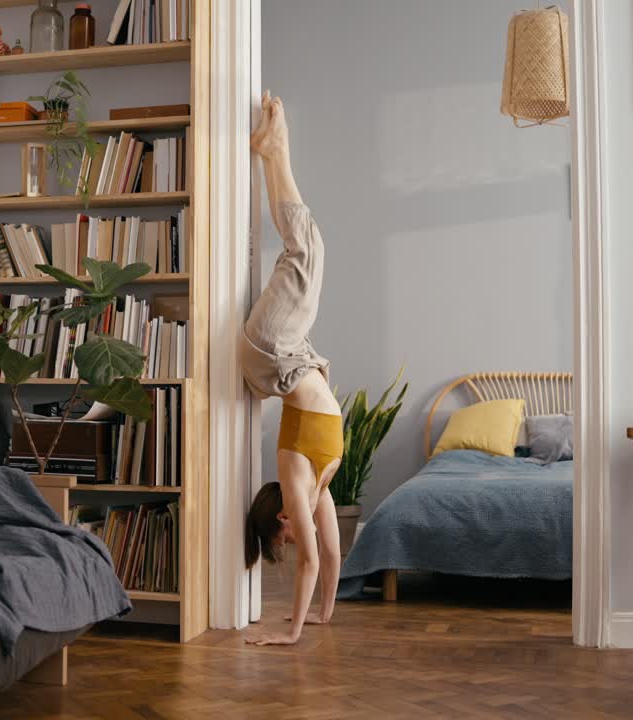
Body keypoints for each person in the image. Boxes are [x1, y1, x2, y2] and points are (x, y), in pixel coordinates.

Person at [242, 92, 343, 647]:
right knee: (305, 250)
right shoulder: (319, 480)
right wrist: (322, 617)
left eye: (283, 535)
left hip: (273, 352)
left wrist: (289, 636)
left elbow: (306, 561)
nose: (293, 535)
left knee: (305, 253)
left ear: (278, 517)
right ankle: (270, 153)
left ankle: (273, 152)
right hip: (288, 355)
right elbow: (327, 555)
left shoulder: (294, 482)